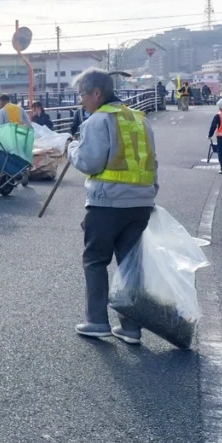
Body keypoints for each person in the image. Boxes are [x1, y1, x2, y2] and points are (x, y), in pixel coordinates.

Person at [67, 68, 159, 345]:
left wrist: (70, 147)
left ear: (97, 93)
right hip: (142, 201)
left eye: (82, 95)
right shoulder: (141, 119)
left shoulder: (99, 120)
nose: (81, 101)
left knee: (95, 260)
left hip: (107, 203)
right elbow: (153, 161)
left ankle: (97, 321)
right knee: (129, 264)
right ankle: (130, 328)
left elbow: (90, 162)